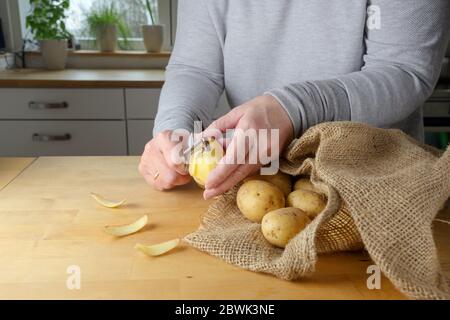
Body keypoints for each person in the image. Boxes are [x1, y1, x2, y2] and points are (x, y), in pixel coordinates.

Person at [139, 0, 450, 199]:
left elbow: (404, 71)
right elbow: (196, 69)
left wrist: (291, 107)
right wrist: (174, 129)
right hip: (260, 182)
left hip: (377, 184)